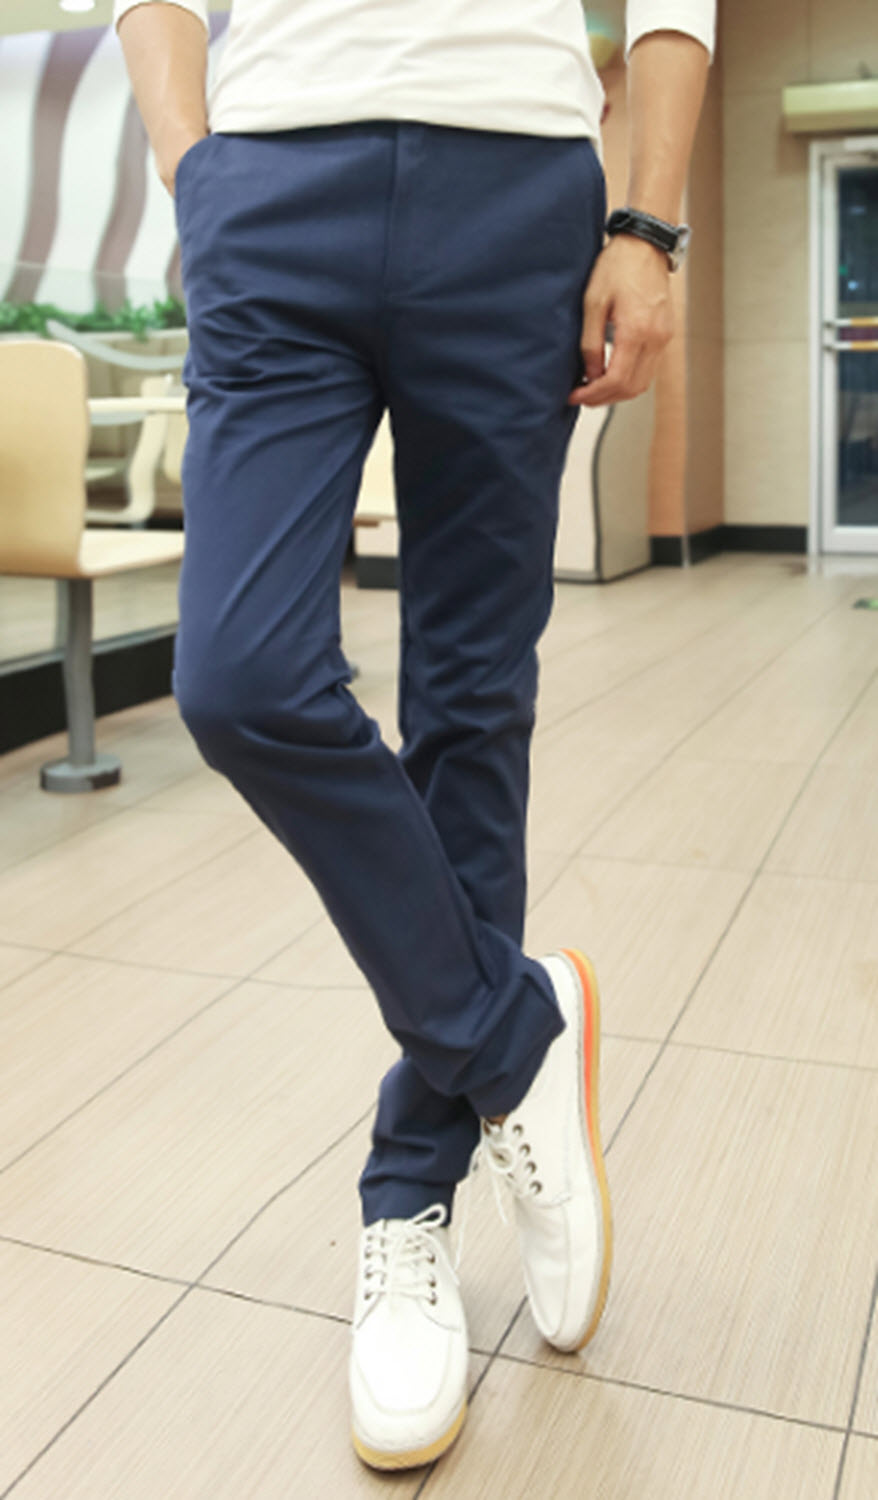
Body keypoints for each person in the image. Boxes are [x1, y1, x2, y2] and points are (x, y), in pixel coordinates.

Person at [115, 0, 714, 1471]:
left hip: (513, 190)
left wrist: (647, 221)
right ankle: (515, 1044)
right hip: (269, 185)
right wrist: (192, 161)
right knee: (240, 678)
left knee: (470, 707)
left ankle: (410, 1203)